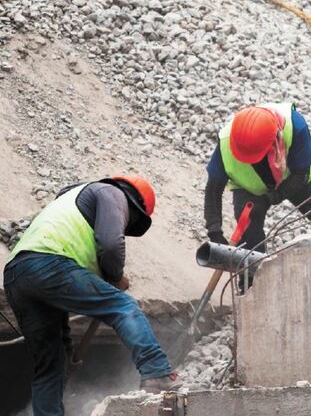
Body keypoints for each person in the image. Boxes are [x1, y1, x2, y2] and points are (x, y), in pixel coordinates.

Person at [3, 177, 179, 415]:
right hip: (49, 262)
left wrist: (67, 355)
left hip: (16, 274)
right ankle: (157, 371)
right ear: (134, 206)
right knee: (123, 307)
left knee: (51, 367)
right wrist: (116, 277)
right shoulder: (111, 192)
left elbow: (59, 294)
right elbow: (110, 244)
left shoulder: (66, 208)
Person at [204, 102, 311, 254]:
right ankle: (253, 267)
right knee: (249, 240)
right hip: (249, 187)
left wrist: (272, 197)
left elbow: (301, 173)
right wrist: (215, 233)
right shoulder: (226, 142)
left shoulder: (295, 126)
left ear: (275, 139)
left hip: (298, 177)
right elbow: (213, 191)